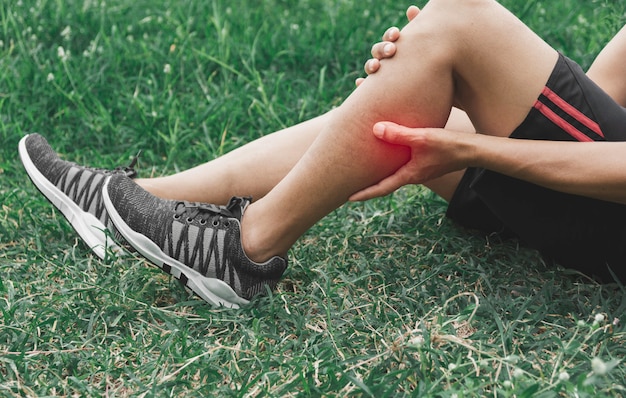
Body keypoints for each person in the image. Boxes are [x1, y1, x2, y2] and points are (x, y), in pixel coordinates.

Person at [19, 0, 626, 308]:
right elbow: (607, 98)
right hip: (591, 198)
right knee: (434, 59)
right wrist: (438, 72)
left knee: (462, 20)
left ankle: (243, 248)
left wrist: (472, 141)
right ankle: (137, 198)